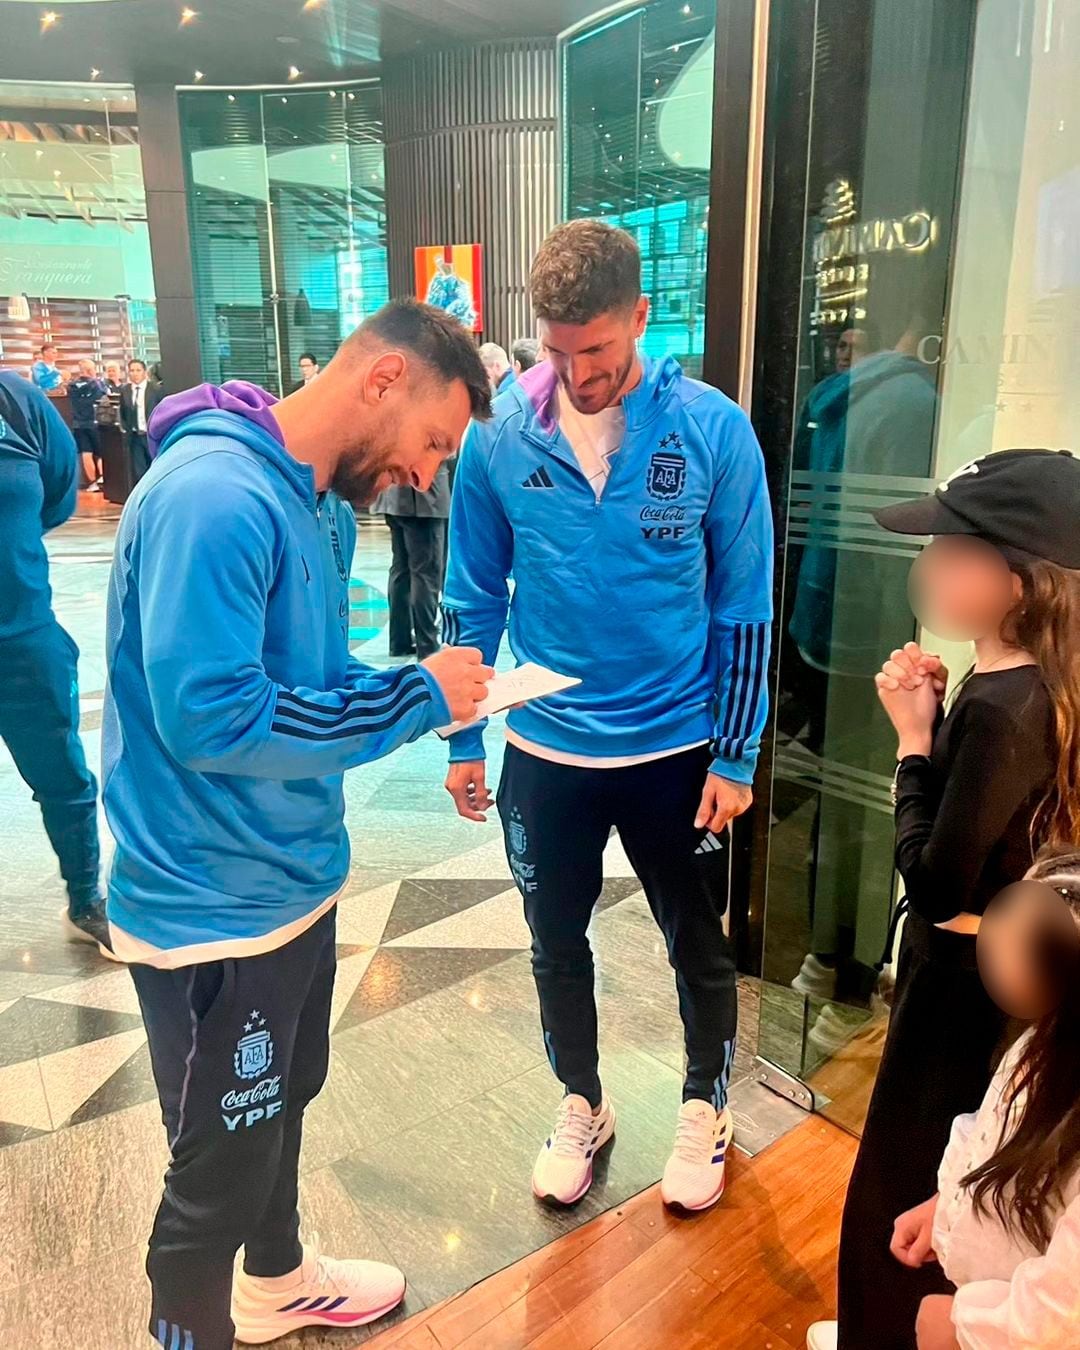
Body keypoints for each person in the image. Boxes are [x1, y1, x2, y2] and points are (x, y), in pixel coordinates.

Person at [103, 299, 492, 1350]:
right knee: (215, 1178)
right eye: (433, 442)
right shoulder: (213, 497)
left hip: (291, 881)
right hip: (210, 906)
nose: (426, 474)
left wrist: (414, 690)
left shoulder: (316, 505)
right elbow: (212, 718)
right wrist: (414, 697)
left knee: (282, 1100)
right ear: (382, 380)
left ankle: (276, 1282)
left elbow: (308, 684)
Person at [443, 218, 773, 1212]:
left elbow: (745, 605)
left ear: (639, 317)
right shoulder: (501, 433)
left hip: (679, 746)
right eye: (558, 351)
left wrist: (737, 755)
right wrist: (463, 736)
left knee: (697, 942)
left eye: (597, 349)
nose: (579, 373)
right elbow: (470, 596)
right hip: (548, 747)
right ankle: (582, 1100)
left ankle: (704, 1103)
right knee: (555, 940)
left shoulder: (711, 429)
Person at [807, 448, 1080, 1350]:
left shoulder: (1005, 707)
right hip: (986, 984)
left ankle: (882, 1332)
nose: (928, 567)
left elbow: (933, 883)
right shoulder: (1022, 681)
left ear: (1018, 583)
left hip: (962, 989)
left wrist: (912, 741)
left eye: (952, 549)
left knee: (902, 1181)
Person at [891, 846, 1080, 1349]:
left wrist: (962, 1325)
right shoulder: (1040, 1043)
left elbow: (1062, 1315)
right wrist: (945, 1207)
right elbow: (991, 1128)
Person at [0, 371, 110, 953]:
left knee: (64, 779)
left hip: (22, 639)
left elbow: (56, 495)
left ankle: (85, 898)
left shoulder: (16, 402)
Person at [379, 463, 451, 660]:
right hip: (423, 498)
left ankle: (399, 642)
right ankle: (428, 646)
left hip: (394, 494)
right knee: (426, 573)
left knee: (401, 570)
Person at [68, 358, 108, 492]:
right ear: (90, 370)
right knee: (101, 452)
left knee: (86, 452)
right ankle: (103, 478)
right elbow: (103, 396)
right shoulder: (97, 384)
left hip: (79, 424)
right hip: (94, 422)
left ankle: (92, 483)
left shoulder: (72, 386)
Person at [120, 358, 162, 483]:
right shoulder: (125, 391)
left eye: (138, 370)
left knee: (155, 467)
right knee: (139, 471)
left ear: (144, 372)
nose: (135, 373)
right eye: (132, 371)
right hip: (134, 437)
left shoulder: (156, 390)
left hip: (151, 436)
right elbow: (123, 413)